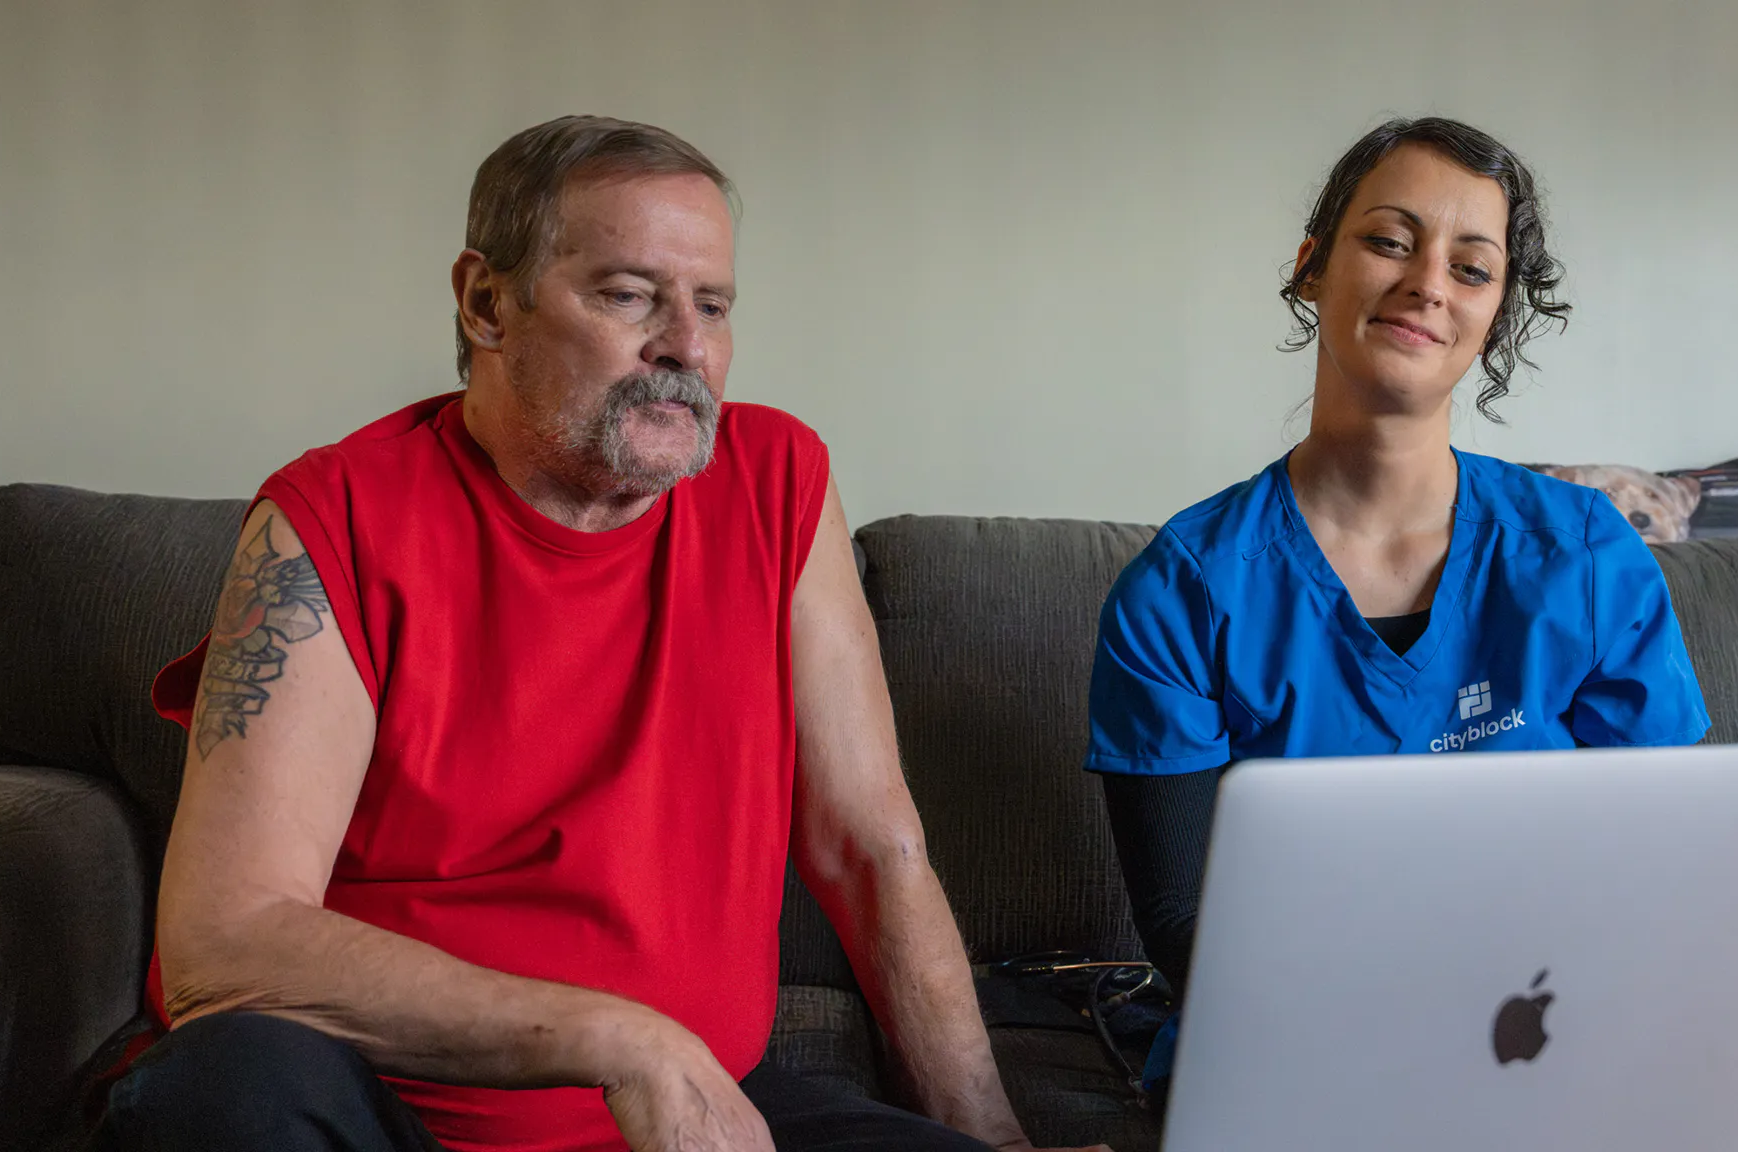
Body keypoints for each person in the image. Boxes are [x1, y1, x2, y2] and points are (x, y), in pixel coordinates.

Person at [95, 116, 1106, 1152]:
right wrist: (626, 1042)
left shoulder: (777, 479)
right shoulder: (332, 515)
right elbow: (228, 941)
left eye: (710, 305)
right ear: (487, 304)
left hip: (696, 1123)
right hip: (402, 1120)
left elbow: (871, 848)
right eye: (627, 295)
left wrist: (999, 1142)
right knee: (225, 1091)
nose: (685, 345)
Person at [1084, 117, 1714, 1078]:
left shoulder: (1587, 555)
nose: (1427, 283)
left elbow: (1667, 863)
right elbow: (1183, 921)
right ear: (1311, 267)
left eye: (1472, 268)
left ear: (1496, 316)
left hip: (1551, 1031)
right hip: (1296, 1050)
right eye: (1388, 241)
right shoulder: (1182, 590)